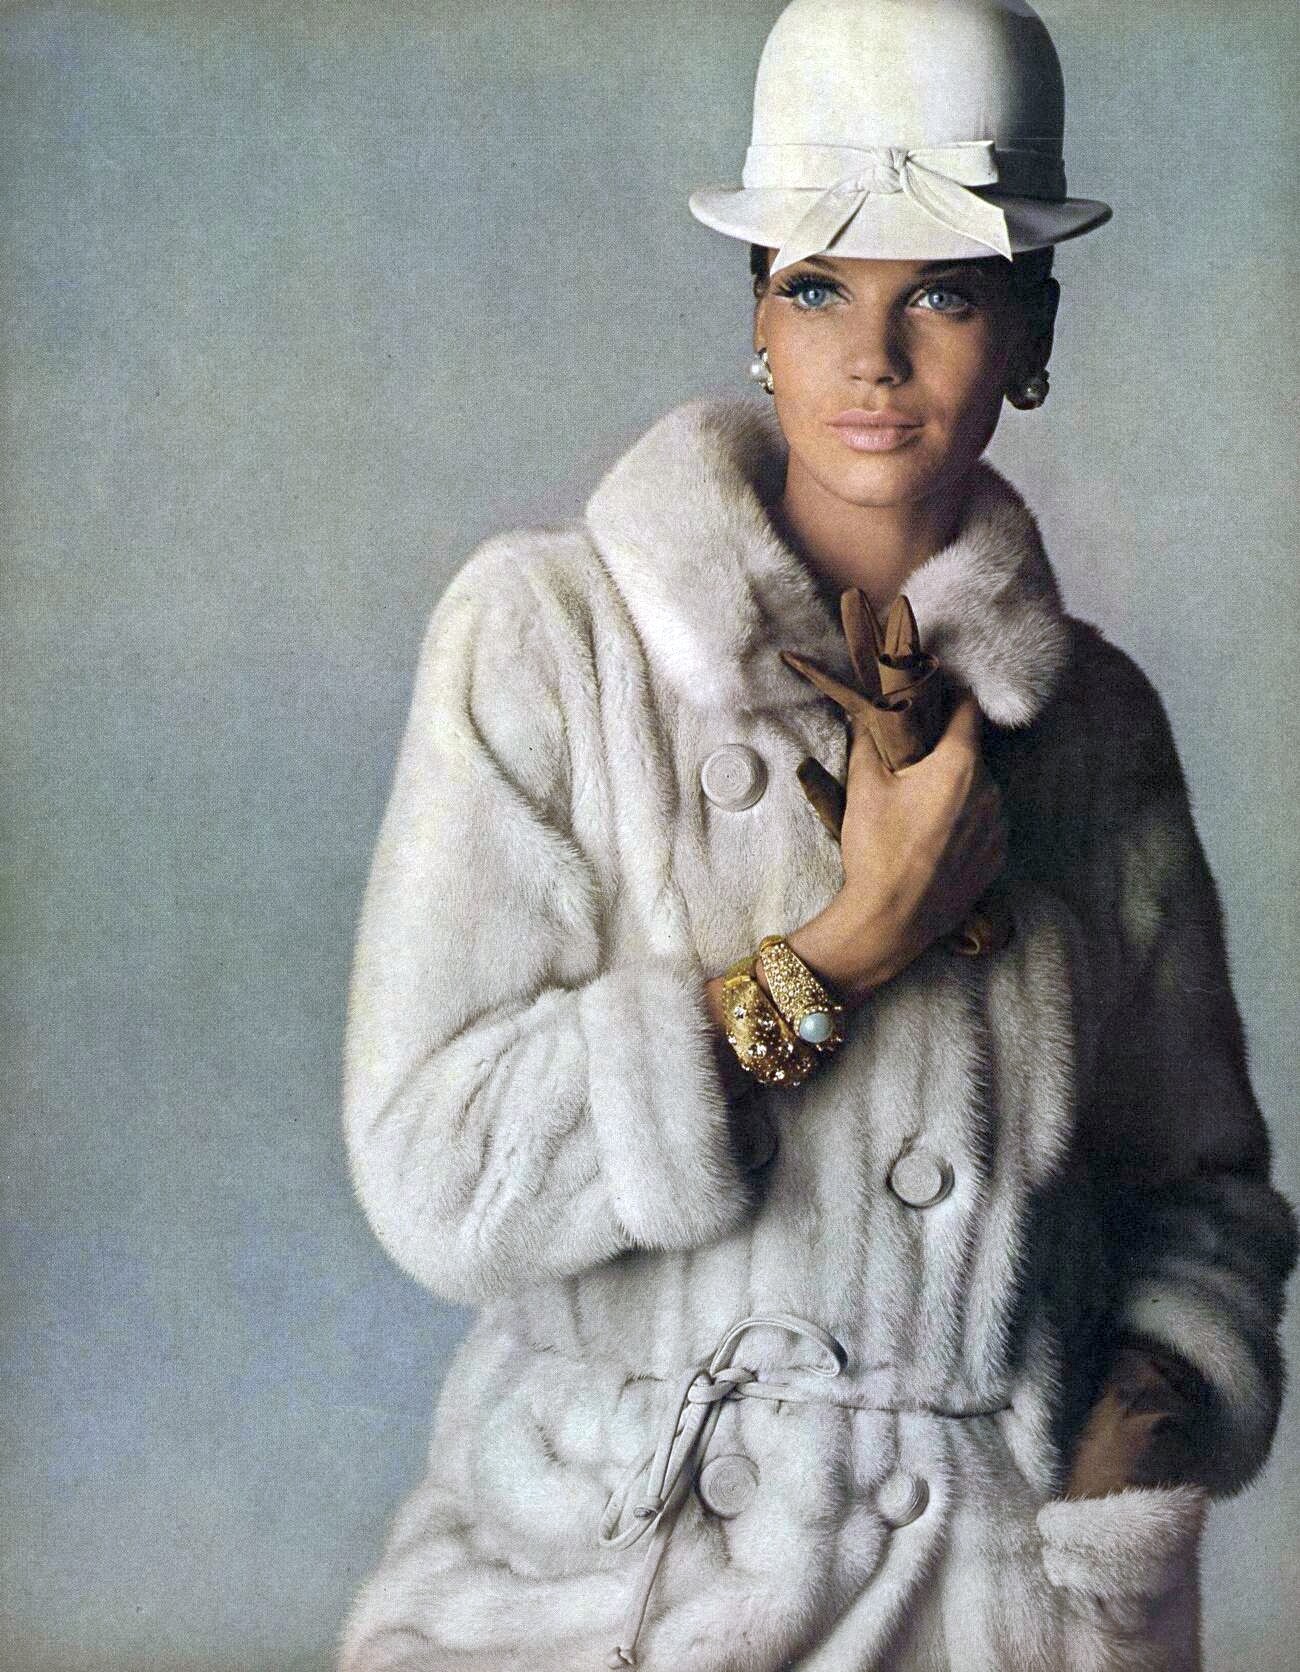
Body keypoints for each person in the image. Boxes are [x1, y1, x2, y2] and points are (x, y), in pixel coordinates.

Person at [336, 1, 1296, 1668]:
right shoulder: (551, 641)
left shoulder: (1091, 725)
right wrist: (845, 948)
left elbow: (1203, 1195)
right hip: (628, 1583)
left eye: (943, 292)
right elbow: (434, 1168)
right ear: (759, 319)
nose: (874, 358)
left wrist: (1141, 1426)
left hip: (1006, 1605)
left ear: (1032, 327)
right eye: (817, 289)